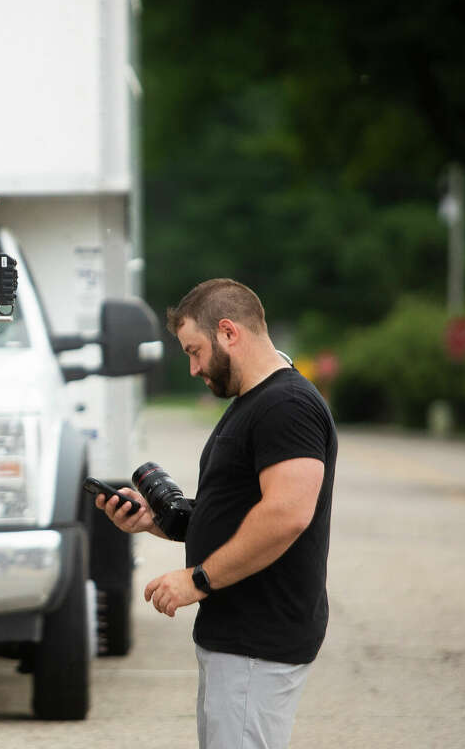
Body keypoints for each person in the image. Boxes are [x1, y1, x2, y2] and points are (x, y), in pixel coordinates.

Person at [96, 278, 337, 749]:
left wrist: (197, 580)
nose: (192, 368)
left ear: (228, 332)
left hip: (258, 640)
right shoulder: (253, 402)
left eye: (195, 350)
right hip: (237, 637)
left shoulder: (286, 406)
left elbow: (287, 515)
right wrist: (153, 520)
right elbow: (233, 515)